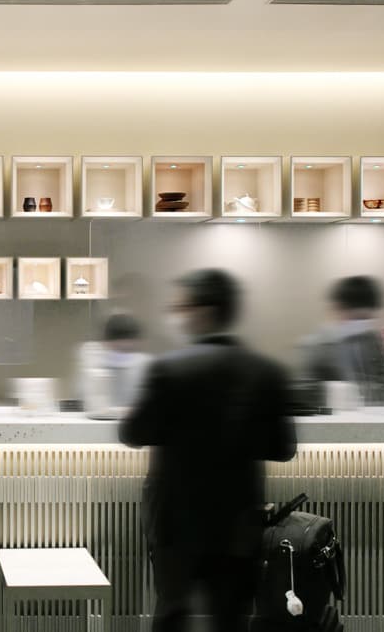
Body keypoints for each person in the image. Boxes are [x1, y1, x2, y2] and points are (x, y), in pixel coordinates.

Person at [120, 269, 297, 632]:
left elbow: (133, 433)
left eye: (181, 307)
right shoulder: (267, 372)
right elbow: (282, 448)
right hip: (238, 524)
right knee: (231, 620)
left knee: (171, 614)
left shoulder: (167, 370)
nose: (176, 315)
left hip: (175, 522)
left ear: (204, 311)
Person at [299, 275, 384, 407]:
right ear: (338, 308)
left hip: (373, 414)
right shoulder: (317, 345)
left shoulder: (372, 340)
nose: (361, 324)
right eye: (356, 318)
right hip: (333, 416)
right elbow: (307, 394)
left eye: (367, 318)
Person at [73, 312, 152, 417]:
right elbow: (88, 402)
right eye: (118, 347)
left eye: (128, 349)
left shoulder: (145, 364)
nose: (123, 351)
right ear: (106, 343)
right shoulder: (93, 361)